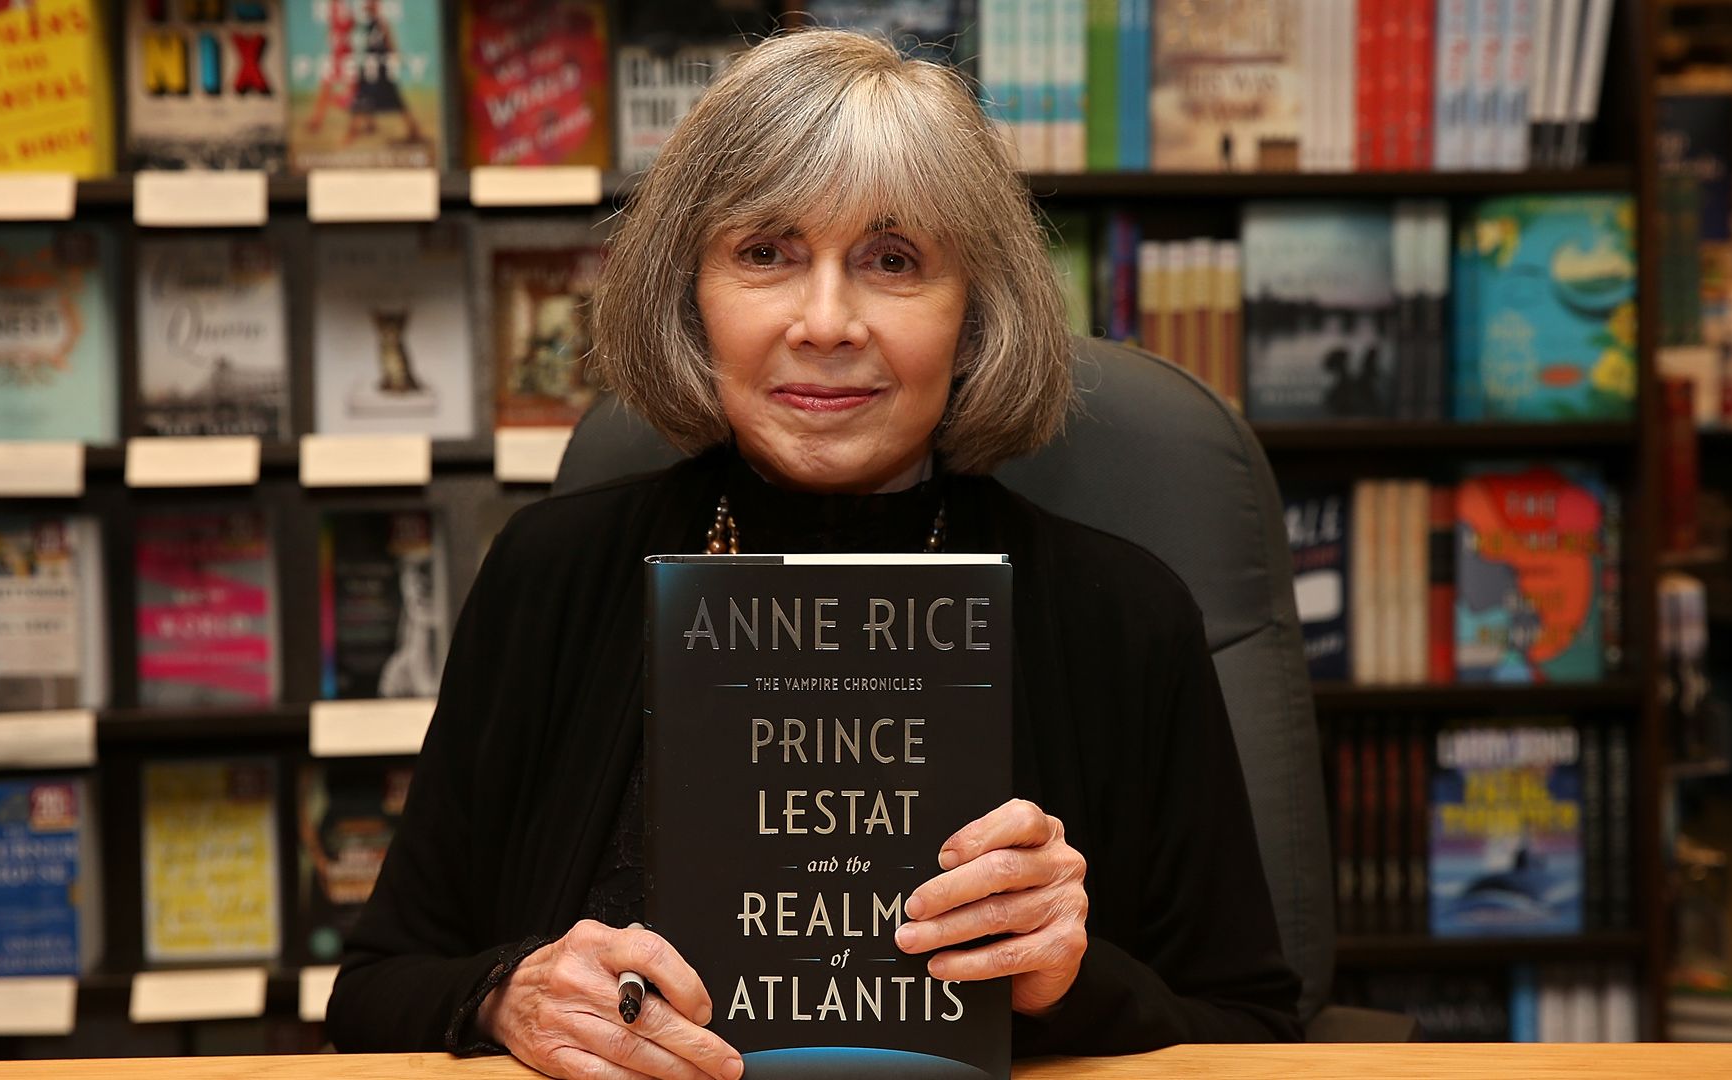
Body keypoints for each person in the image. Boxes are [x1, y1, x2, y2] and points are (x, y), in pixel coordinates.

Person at [328, 27, 1302, 1079]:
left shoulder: (1123, 613)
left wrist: (1068, 981)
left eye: (894, 261)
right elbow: (377, 986)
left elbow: (1254, 1027)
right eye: (766, 253)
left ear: (973, 313)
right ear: (692, 298)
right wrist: (507, 994)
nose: (827, 323)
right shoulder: (548, 574)